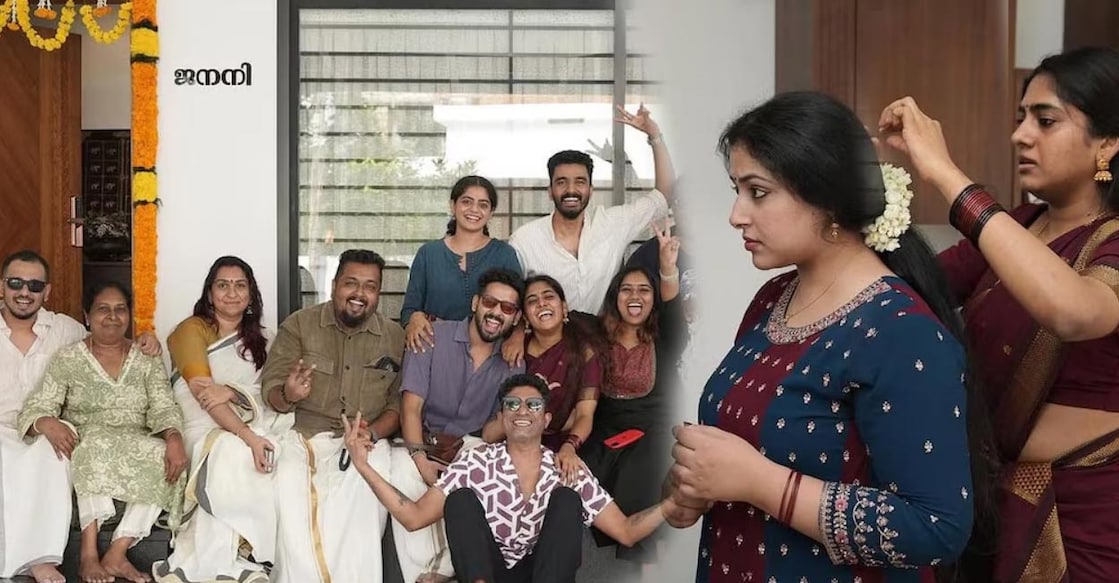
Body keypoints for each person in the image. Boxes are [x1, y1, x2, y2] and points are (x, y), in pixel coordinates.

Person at [666, 92, 992, 582]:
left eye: (758, 191)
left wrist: (758, 481)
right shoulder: (774, 297)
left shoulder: (903, 332)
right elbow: (749, 448)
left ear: (826, 196)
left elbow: (936, 527)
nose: (736, 214)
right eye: (737, 189)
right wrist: (696, 484)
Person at [878, 46, 1119, 580]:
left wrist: (944, 172)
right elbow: (910, 291)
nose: (1020, 135)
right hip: (986, 506)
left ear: (1108, 141)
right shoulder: (1021, 227)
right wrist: (861, 201)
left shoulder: (1110, 240)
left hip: (1085, 525)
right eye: (1020, 117)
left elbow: (1077, 312)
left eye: (1046, 119)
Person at [341, 373, 677, 583]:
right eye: (512, 405)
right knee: (460, 499)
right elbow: (414, 517)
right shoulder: (477, 461)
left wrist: (673, 503)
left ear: (546, 419)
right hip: (488, 573)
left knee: (566, 498)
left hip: (543, 574)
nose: (521, 411)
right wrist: (364, 466)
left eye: (532, 405)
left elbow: (627, 532)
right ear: (501, 417)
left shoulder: (566, 467)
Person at [19, 281, 187, 583]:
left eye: (120, 309)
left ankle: (117, 552)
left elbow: (164, 405)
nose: (112, 316)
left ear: (129, 316)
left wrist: (174, 437)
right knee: (92, 445)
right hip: (89, 439)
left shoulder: (146, 359)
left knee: (167, 456)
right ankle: (88, 554)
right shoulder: (68, 359)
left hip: (136, 437)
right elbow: (40, 403)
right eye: (103, 309)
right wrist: (47, 422)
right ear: (87, 316)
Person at [260, 248, 406, 583]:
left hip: (366, 439)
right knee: (296, 503)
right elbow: (272, 390)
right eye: (351, 283)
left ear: (378, 293)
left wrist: (373, 434)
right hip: (304, 437)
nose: (359, 293)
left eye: (370, 286)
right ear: (334, 285)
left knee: (365, 504)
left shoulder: (395, 337)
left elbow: (397, 405)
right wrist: (289, 394)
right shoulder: (300, 325)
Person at [154, 256, 291, 583]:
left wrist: (233, 392)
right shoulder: (190, 331)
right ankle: (222, 563)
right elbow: (204, 396)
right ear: (210, 292)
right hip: (202, 427)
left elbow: (268, 395)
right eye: (223, 285)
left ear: (251, 293)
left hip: (253, 425)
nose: (232, 293)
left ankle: (238, 556)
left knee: (283, 448)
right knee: (230, 451)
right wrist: (250, 437)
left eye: (240, 285)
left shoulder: (265, 340)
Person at [391, 267, 525, 583]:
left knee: (482, 475)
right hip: (420, 439)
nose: (496, 313)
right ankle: (419, 577)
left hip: (471, 443)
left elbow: (493, 432)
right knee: (401, 472)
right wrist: (419, 458)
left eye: (507, 308)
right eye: (491, 303)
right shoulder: (432, 336)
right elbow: (410, 408)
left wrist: (517, 415)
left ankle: (447, 571)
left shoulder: (513, 361)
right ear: (476, 302)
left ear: (516, 318)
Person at [508, 104, 676, 316]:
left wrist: (655, 136)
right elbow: (512, 299)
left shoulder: (613, 223)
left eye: (580, 182)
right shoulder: (524, 241)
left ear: (591, 189)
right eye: (561, 182)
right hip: (547, 346)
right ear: (550, 191)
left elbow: (663, 195)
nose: (571, 190)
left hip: (601, 343)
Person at [581, 222, 685, 563]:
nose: (635, 297)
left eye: (644, 290)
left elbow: (674, 313)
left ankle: (642, 560)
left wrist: (668, 269)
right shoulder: (596, 334)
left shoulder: (664, 337)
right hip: (606, 432)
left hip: (655, 430)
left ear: (654, 299)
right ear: (615, 297)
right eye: (627, 290)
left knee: (645, 464)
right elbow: (551, 321)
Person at [482, 274, 606, 483]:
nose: (541, 304)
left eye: (548, 297)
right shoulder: (513, 351)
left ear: (564, 308)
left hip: (564, 443)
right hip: (513, 440)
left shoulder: (583, 353)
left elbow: (584, 415)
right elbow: (494, 425)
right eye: (532, 301)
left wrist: (569, 448)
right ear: (525, 317)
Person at [402, 175, 523, 354]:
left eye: (483, 204)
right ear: (453, 205)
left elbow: (519, 308)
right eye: (466, 202)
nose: (474, 209)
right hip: (436, 351)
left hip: (491, 354)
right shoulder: (428, 253)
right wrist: (414, 318)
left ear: (491, 212)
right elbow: (409, 310)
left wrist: (517, 337)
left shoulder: (504, 254)